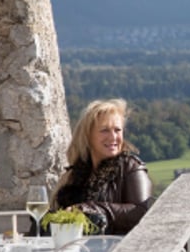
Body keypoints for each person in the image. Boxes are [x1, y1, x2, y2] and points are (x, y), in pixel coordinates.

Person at [53, 98, 154, 235]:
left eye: (117, 130)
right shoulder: (73, 176)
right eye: (105, 130)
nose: (113, 137)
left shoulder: (131, 167)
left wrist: (90, 208)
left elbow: (141, 211)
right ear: (88, 135)